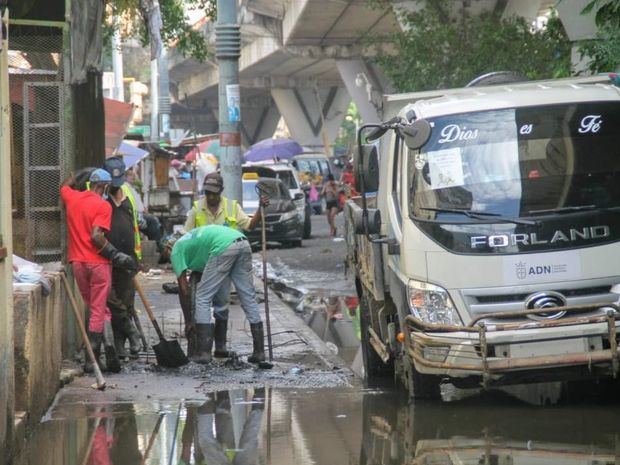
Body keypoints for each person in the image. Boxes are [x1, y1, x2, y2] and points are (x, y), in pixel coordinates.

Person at [182, 172, 267, 359]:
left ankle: (219, 350)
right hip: (208, 264)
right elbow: (186, 236)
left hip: (227, 258)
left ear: (221, 191)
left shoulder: (231, 206)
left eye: (214, 193)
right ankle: (218, 349)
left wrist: (261, 209)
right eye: (207, 193)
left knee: (231, 301)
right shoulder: (197, 209)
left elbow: (249, 225)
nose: (210, 197)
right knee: (221, 303)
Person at [60, 169, 136, 373]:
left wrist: (79, 174)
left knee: (100, 309)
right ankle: (92, 359)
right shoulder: (103, 205)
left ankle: (107, 352)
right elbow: (96, 236)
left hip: (78, 264)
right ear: (104, 187)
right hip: (98, 265)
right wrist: (116, 255)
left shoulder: (73, 198)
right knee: (97, 311)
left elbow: (65, 186)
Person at [170, 225, 267, 364]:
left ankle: (203, 353)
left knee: (202, 298)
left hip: (223, 247)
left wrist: (189, 321)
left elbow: (184, 290)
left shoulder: (175, 250)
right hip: (242, 242)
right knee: (248, 297)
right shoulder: (191, 241)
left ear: (167, 249)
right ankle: (259, 352)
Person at [102, 156, 143, 360]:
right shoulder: (99, 197)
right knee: (111, 300)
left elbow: (137, 223)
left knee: (126, 302)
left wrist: (137, 256)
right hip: (106, 258)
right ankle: (131, 331)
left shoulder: (129, 194)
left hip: (128, 259)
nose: (115, 187)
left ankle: (121, 346)